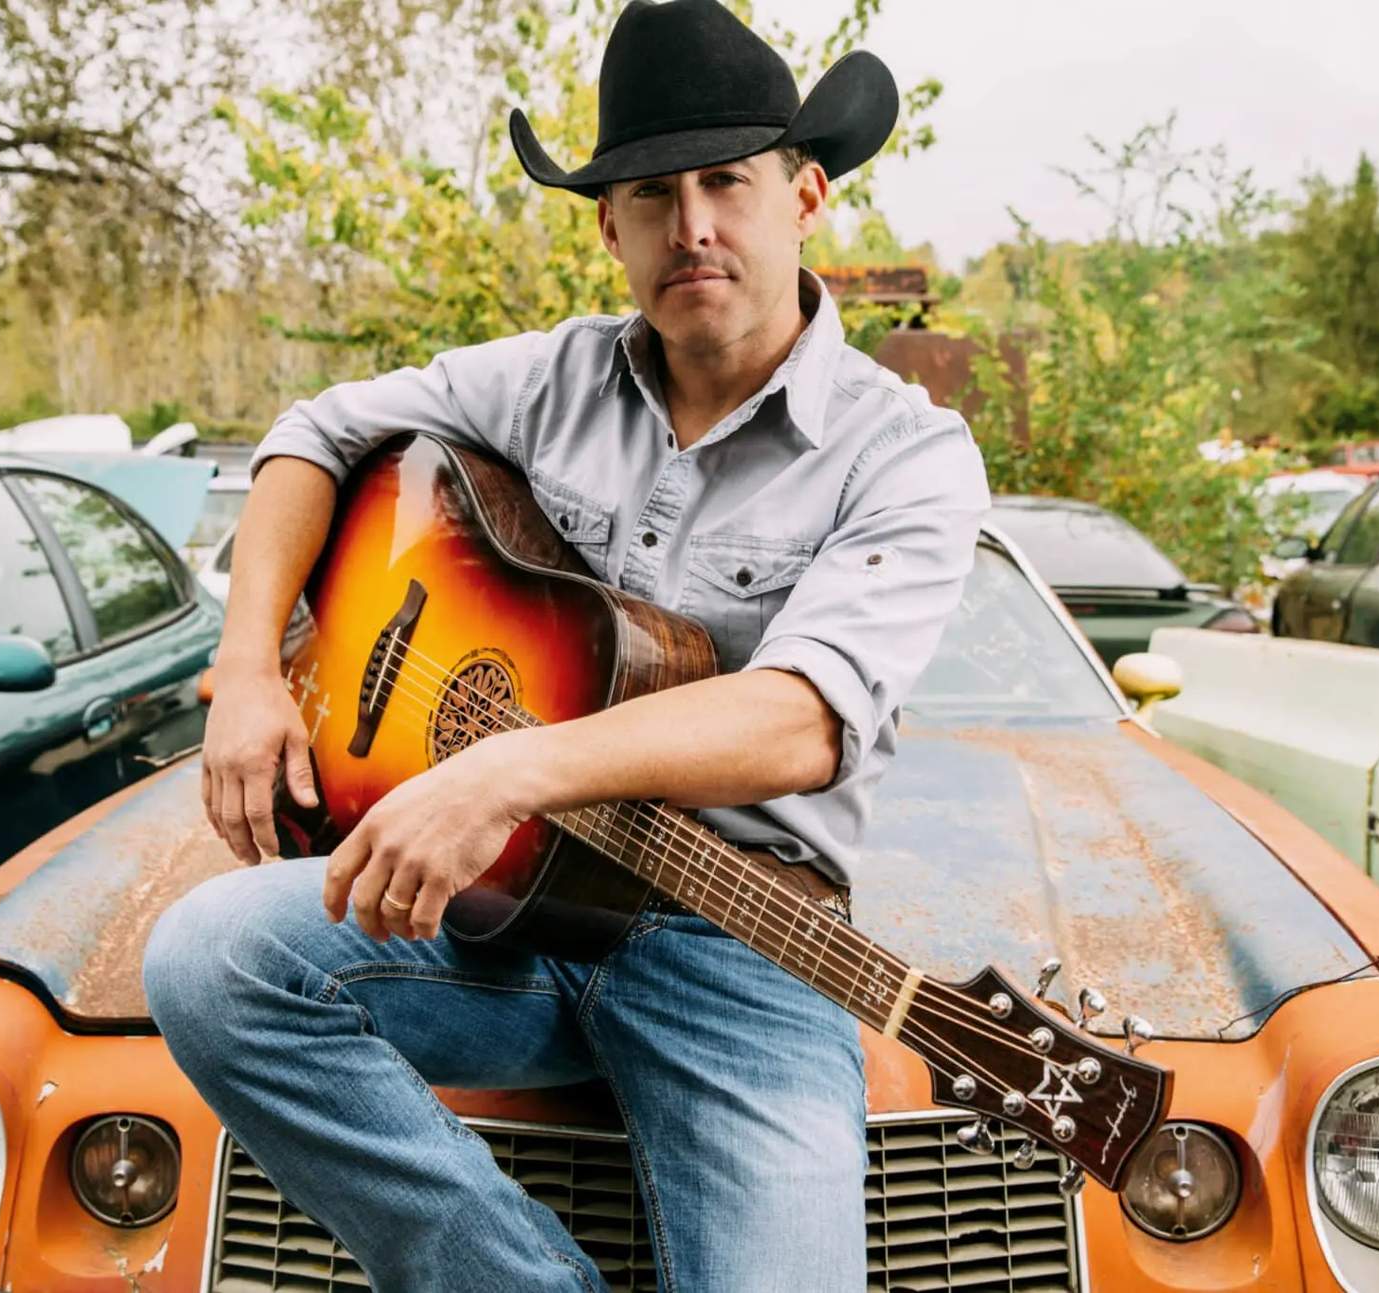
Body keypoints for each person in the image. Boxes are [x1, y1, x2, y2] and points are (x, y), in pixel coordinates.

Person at [142, 2, 989, 1289]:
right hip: (497, 915)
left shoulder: (905, 452)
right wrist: (253, 666)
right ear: (609, 229)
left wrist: (502, 771)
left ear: (805, 195)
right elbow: (311, 433)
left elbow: (801, 719)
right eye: (650, 194)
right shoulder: (548, 380)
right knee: (209, 961)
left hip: (745, 946)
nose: (690, 225)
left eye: (726, 182)